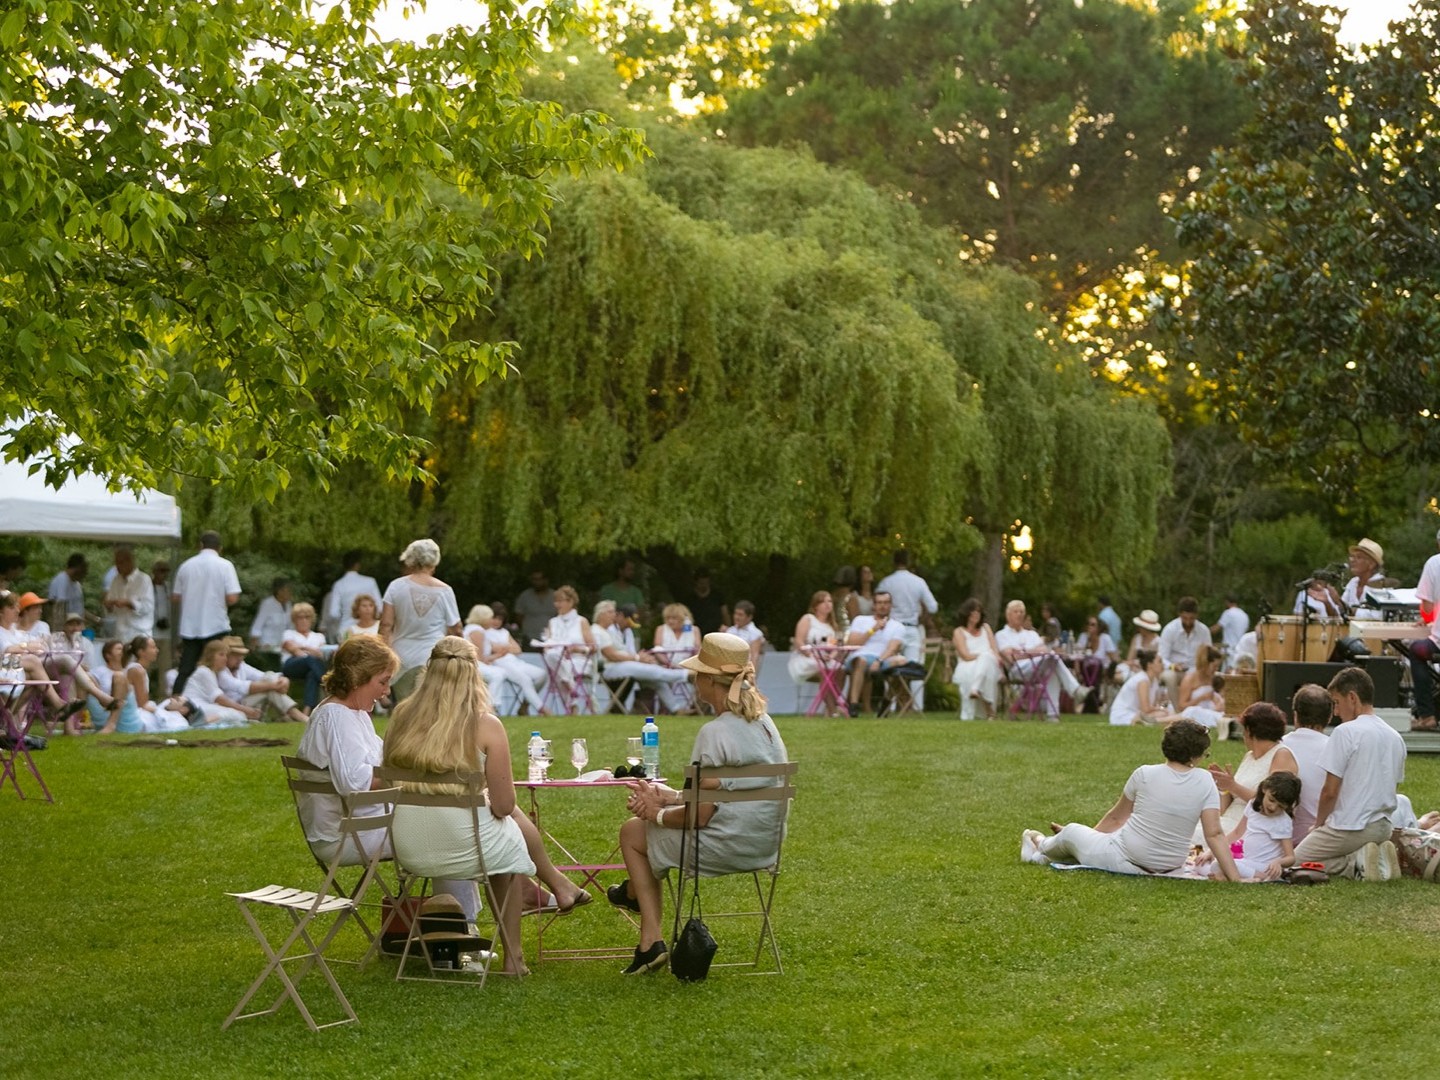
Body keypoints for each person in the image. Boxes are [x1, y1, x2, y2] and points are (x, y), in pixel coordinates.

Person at [383, 636, 591, 976]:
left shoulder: (402, 716)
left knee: (499, 830)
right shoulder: (485, 725)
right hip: (466, 848)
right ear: (473, 675)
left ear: (429, 673)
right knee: (506, 839)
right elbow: (506, 805)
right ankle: (515, 958)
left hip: (409, 847)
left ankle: (556, 886)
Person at [611, 632, 789, 975]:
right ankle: (634, 900)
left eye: (697, 674)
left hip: (721, 846)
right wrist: (674, 796)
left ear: (709, 680)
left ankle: (650, 940)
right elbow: (732, 792)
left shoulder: (714, 732)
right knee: (644, 827)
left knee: (633, 832)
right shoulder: (766, 726)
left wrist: (657, 814)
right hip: (764, 845)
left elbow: (699, 817)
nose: (694, 681)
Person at [295, 637, 494, 931]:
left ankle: (459, 926)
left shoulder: (353, 714)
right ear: (357, 677)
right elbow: (355, 782)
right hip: (346, 835)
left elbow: (386, 760)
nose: (387, 692)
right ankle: (462, 930)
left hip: (366, 824)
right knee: (449, 832)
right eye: (383, 681)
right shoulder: (335, 717)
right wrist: (415, 777)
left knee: (450, 822)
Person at [1022, 718, 1240, 881]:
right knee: (1083, 840)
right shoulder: (1205, 781)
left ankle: (1040, 844)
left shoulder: (1145, 774)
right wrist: (1236, 879)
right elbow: (1214, 834)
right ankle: (1044, 855)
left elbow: (1117, 818)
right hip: (1167, 868)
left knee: (1071, 831)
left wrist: (1088, 838)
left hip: (1124, 860)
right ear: (1195, 755)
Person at [1291, 666, 1406, 880]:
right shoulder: (1395, 736)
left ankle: (1354, 863)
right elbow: (1392, 787)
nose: (1334, 712)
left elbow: (1330, 791)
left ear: (1352, 698)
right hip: (1383, 828)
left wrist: (1318, 825)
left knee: (1292, 863)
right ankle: (1375, 857)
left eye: (1336, 703)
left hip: (1350, 827)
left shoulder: (1345, 732)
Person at [380, 538, 462, 702]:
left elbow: (386, 625)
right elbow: (456, 629)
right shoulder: (445, 590)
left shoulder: (396, 586)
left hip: (401, 656)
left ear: (410, 559)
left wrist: (383, 654)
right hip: (432, 656)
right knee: (430, 706)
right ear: (435, 560)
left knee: (404, 706)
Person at [0, 592, 92, 733]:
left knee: (39, 680)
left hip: (17, 673)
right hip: (5, 674)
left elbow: (33, 645)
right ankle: (59, 705)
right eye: (12, 607)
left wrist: (27, 645)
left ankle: (8, 720)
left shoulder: (14, 631)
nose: (17, 610)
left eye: (17, 607)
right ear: (1, 611)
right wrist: (26, 647)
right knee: (35, 663)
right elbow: (8, 650)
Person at [1205, 702, 1299, 839]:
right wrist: (1223, 785)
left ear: (1249, 731)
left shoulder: (1281, 755)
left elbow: (1273, 803)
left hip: (1252, 828)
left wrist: (1233, 786)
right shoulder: (1249, 756)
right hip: (1229, 820)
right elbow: (1228, 801)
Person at [171, 531, 241, 696]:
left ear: (200, 545)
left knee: (186, 668)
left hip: (190, 626)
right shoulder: (225, 566)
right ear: (220, 548)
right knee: (216, 667)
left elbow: (175, 597)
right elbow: (232, 597)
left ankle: (176, 699)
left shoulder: (186, 566)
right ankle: (217, 699)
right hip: (215, 624)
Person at [591, 600, 689, 714]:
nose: (614, 615)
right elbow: (611, 655)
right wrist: (638, 658)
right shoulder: (598, 632)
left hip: (621, 665)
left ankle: (677, 709)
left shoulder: (606, 632)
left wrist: (641, 659)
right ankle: (686, 674)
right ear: (601, 614)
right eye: (611, 612)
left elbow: (626, 653)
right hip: (609, 668)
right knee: (654, 671)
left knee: (656, 680)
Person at [1201, 772, 1301, 881]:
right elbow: (1237, 833)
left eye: (1280, 806)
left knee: (1226, 864)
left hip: (1266, 867)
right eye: (1271, 800)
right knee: (1213, 864)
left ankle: (1259, 877)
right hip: (1248, 863)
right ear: (1264, 789)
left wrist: (1278, 862)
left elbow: (1290, 857)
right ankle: (1235, 877)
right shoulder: (1253, 806)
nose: (1273, 807)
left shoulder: (1283, 822)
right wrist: (1212, 851)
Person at [994, 599, 1084, 720]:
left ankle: (1053, 716)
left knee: (1051, 665)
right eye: (1016, 611)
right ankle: (1075, 690)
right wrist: (1034, 651)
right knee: (1052, 659)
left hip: (1038, 667)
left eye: (1022, 612)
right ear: (1008, 615)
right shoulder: (1001, 634)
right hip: (1017, 671)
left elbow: (1044, 650)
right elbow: (1010, 657)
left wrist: (1021, 652)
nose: (1019, 614)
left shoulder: (1031, 634)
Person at [877, 550, 938, 709]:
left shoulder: (886, 582)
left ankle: (889, 706)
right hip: (912, 628)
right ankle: (917, 707)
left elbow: (877, 605)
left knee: (889, 665)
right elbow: (933, 607)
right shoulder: (918, 582)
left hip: (892, 628)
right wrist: (920, 614)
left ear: (894, 562)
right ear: (908, 562)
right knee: (914, 667)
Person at [471, 603, 547, 716]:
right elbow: (495, 649)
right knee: (525, 679)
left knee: (541, 674)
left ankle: (525, 704)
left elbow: (517, 649)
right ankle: (542, 709)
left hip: (514, 661)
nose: (496, 621)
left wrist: (503, 649)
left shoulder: (505, 632)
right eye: (494, 618)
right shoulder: (484, 632)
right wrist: (504, 648)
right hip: (499, 663)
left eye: (500, 619)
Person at [842, 591, 907, 717]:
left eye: (886, 603)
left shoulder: (897, 626)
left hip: (883, 659)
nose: (883, 606)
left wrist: (879, 661)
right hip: (862, 657)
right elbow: (852, 643)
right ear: (874, 605)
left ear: (890, 605)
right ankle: (854, 705)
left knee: (903, 662)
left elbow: (892, 648)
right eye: (879, 603)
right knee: (861, 660)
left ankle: (886, 702)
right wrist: (873, 629)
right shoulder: (861, 620)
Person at [1283, 683, 1332, 843]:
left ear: (1295, 715)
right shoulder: (1336, 748)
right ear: (1330, 716)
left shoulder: (1278, 746)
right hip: (1325, 837)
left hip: (1284, 839)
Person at [220, 636, 308, 723]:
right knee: (269, 689)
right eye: (235, 655)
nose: (239, 658)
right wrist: (274, 685)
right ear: (226, 655)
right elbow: (245, 687)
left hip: (243, 702)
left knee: (269, 679)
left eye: (241, 655)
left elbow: (263, 675)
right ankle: (295, 715)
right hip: (231, 707)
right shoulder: (220, 671)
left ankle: (291, 716)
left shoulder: (241, 666)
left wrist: (283, 679)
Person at [181, 639, 256, 727]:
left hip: (202, 705)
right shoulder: (204, 671)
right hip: (195, 706)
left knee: (237, 715)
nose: (225, 658)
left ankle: (205, 721)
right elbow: (219, 699)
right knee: (236, 714)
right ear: (210, 656)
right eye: (221, 655)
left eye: (226, 655)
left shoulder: (213, 672)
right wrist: (245, 709)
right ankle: (200, 723)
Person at [1409, 526, 1440, 731]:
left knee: (1416, 650)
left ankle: (1427, 715)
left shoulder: (1435, 563)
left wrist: (1429, 619)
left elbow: (1428, 607)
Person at [951, 598, 1002, 721]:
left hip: (990, 664)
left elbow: (995, 651)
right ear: (966, 614)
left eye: (978, 612)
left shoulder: (986, 628)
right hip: (967, 664)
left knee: (988, 659)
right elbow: (965, 655)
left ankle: (976, 688)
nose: (976, 615)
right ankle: (990, 712)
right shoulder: (959, 632)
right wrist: (982, 655)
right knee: (984, 660)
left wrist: (993, 658)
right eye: (973, 612)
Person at [1157, 597, 1211, 707]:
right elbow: (1161, 657)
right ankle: (1178, 709)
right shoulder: (1170, 629)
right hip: (1176, 671)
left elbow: (1208, 655)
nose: (1188, 622)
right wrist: (1173, 666)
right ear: (1179, 615)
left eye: (1191, 618)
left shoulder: (1203, 631)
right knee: (1169, 677)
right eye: (1185, 618)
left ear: (1196, 615)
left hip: (1196, 670)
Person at [279, 602, 328, 714]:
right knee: (310, 660)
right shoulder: (288, 633)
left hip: (311, 667)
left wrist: (302, 647)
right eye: (300, 618)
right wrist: (310, 651)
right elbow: (295, 651)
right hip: (291, 665)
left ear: (311, 619)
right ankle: (327, 685)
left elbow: (321, 654)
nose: (303, 621)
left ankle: (307, 709)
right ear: (294, 620)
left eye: (307, 617)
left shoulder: (319, 636)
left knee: (312, 673)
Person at [1107, 649, 1176, 727]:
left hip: (1138, 713)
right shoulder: (1142, 681)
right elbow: (1146, 709)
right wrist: (1161, 709)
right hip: (1124, 715)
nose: (1162, 664)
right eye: (1159, 661)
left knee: (1168, 712)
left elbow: (1153, 705)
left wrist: (1161, 706)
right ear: (1150, 665)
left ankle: (1149, 722)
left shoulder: (1154, 681)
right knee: (1163, 714)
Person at [325, 550, 382, 642]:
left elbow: (333, 613)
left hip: (346, 630)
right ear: (357, 565)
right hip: (371, 631)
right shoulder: (370, 582)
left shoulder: (339, 584)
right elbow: (380, 608)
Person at [785, 590, 838, 688]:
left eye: (830, 601)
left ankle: (835, 700)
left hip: (824, 659)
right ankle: (831, 703)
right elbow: (799, 641)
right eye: (823, 601)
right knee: (826, 672)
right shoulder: (808, 619)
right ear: (815, 605)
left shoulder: (831, 627)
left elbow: (833, 646)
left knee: (840, 670)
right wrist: (813, 656)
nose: (827, 604)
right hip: (807, 658)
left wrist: (831, 656)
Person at [102, 546, 154, 643]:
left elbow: (148, 607)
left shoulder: (144, 579)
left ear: (130, 561)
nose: (117, 566)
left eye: (121, 562)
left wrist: (129, 603)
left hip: (139, 633)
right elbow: (110, 606)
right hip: (121, 633)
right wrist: (108, 605)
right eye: (116, 563)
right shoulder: (116, 580)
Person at [1176, 645, 1226, 730]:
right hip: (1195, 712)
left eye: (1218, 666)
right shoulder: (1190, 679)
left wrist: (1220, 703)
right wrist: (1201, 698)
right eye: (1214, 666)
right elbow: (1181, 706)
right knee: (1193, 711)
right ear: (1205, 664)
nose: (1216, 669)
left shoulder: (1215, 678)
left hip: (1212, 711)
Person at [1073, 615, 1118, 701]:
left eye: (1093, 624)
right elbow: (1078, 655)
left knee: (1096, 666)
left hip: (1102, 669)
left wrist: (1109, 672)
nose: (1090, 626)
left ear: (1099, 627)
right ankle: (1089, 695)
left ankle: (1092, 695)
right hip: (1085, 669)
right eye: (1088, 624)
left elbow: (1113, 659)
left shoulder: (1105, 638)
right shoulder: (1083, 637)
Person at [248, 577, 293, 656]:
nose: (290, 593)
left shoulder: (289, 605)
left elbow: (290, 626)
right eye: (288, 590)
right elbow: (257, 625)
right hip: (267, 646)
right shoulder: (267, 604)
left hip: (282, 646)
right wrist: (254, 644)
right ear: (279, 591)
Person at [1116, 609, 1163, 683]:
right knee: (1116, 671)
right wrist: (1130, 663)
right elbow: (1130, 658)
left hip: (1146, 672)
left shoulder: (1158, 642)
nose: (1139, 628)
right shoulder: (1137, 638)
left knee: (1119, 677)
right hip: (1132, 667)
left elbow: (1155, 664)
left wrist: (1138, 665)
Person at [513, 569, 556, 649]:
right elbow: (519, 615)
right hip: (529, 637)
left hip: (552, 638)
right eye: (534, 579)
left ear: (545, 580)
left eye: (539, 579)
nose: (536, 582)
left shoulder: (555, 596)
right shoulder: (525, 596)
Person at [684, 567, 729, 637]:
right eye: (701, 583)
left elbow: (725, 613)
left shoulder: (717, 595)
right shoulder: (689, 598)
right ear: (696, 582)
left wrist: (728, 629)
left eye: (706, 583)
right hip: (696, 634)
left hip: (716, 633)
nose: (704, 585)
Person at [46, 553, 88, 627]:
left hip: (77, 626)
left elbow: (79, 608)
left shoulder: (77, 584)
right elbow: (60, 609)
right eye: (83, 571)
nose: (83, 575)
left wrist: (97, 619)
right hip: (64, 627)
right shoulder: (61, 580)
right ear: (77, 568)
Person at [1209, 595, 1250, 669]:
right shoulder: (1245, 615)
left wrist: (1204, 632)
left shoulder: (1228, 613)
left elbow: (1217, 628)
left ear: (1227, 602)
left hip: (1229, 650)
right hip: (1241, 649)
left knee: (1226, 675)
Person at [725, 600, 766, 672]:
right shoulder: (730, 631)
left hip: (745, 670)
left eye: (740, 615)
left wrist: (751, 675)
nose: (736, 617)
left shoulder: (755, 633)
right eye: (735, 614)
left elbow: (755, 656)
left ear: (749, 617)